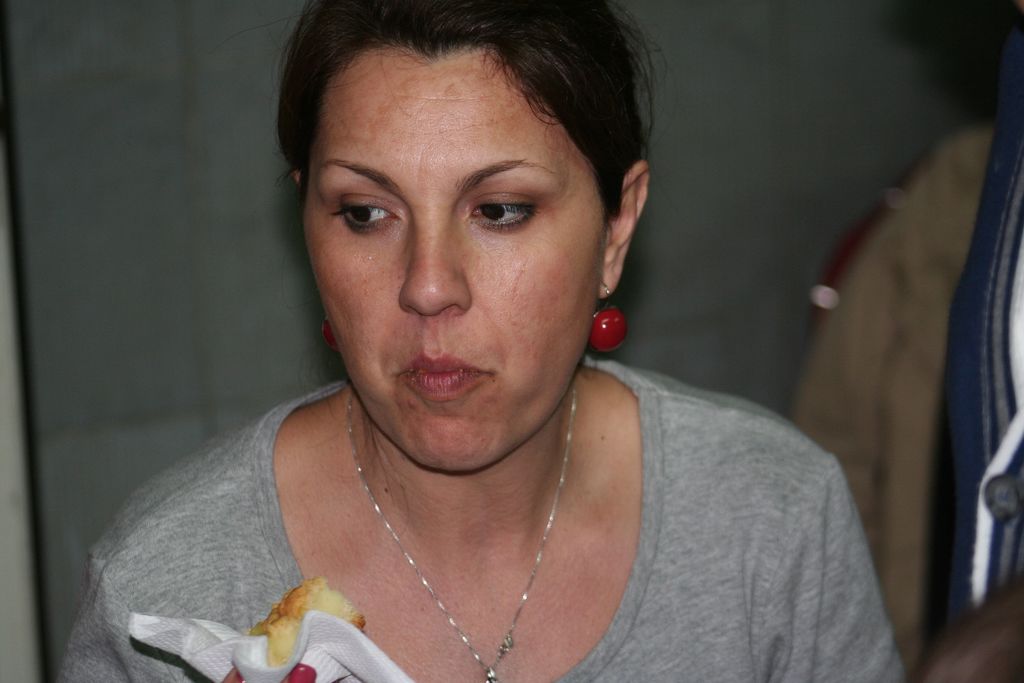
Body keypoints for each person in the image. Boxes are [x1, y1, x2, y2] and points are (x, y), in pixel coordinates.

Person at [58, 1, 902, 681]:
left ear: (616, 228)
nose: (429, 285)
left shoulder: (772, 525)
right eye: (366, 212)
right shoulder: (164, 595)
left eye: (500, 210)